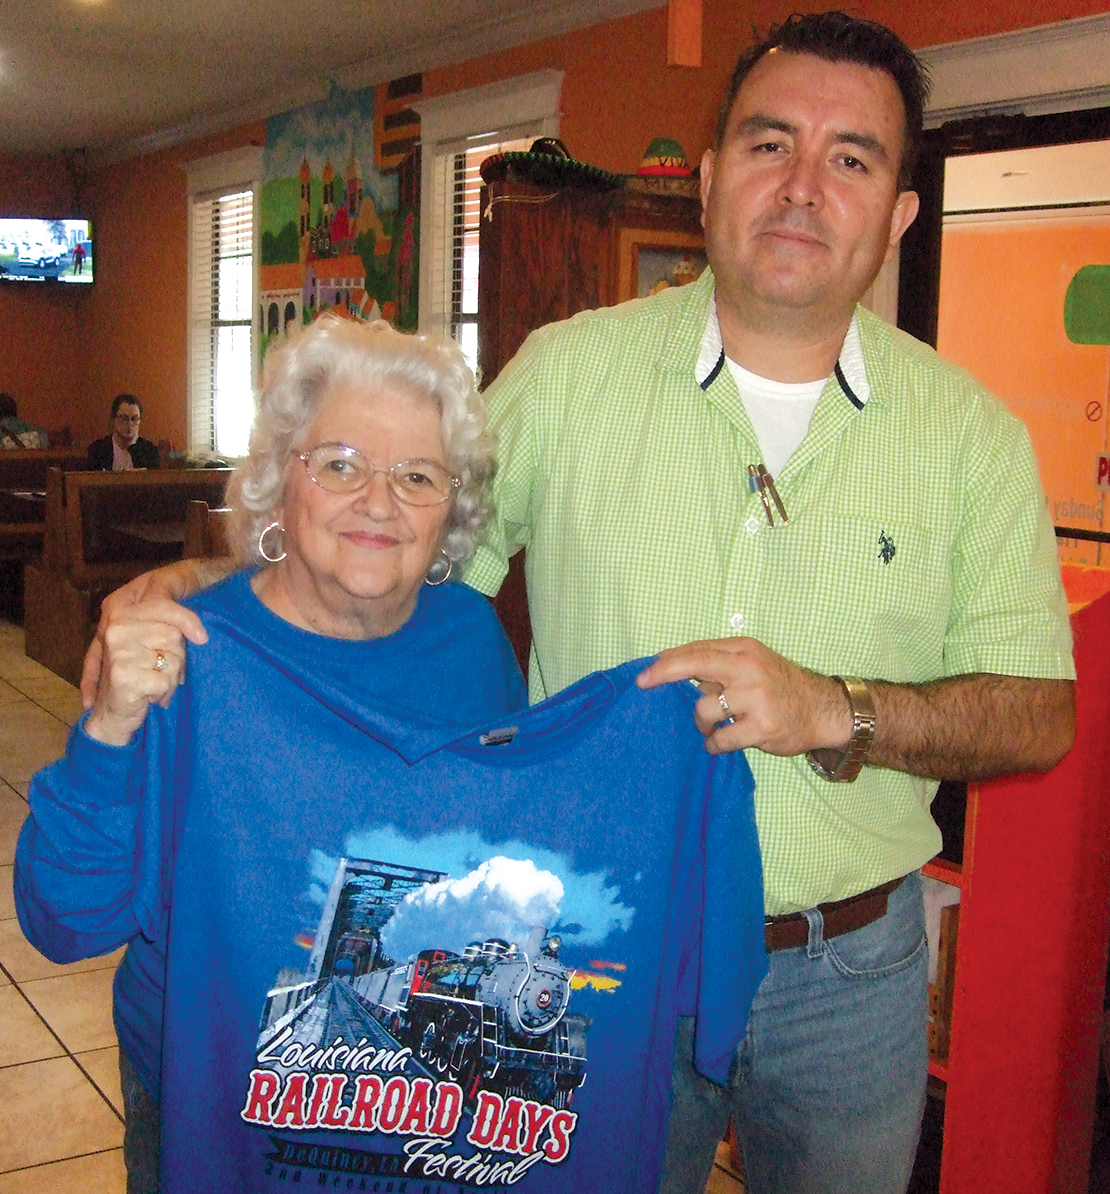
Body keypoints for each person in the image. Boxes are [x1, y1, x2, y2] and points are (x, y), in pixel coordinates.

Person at [77, 13, 1076, 1193]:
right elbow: (393, 550)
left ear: (900, 211)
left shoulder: (972, 440)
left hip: (842, 974)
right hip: (594, 947)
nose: (804, 187)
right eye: (769, 145)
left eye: (851, 158)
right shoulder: (569, 372)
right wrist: (221, 593)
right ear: (709, 182)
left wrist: (837, 710)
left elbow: (1037, 713)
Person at [17, 315, 766, 1193]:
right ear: (276, 481)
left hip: (423, 1113)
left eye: (417, 475)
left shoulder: (471, 637)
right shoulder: (191, 657)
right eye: (340, 463)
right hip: (219, 1096)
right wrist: (108, 732)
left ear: (454, 505)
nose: (379, 502)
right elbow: (61, 920)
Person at [87, 393, 160, 470]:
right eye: (124, 418)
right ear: (113, 419)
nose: (130, 424)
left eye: (134, 419)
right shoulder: (98, 450)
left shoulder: (149, 451)